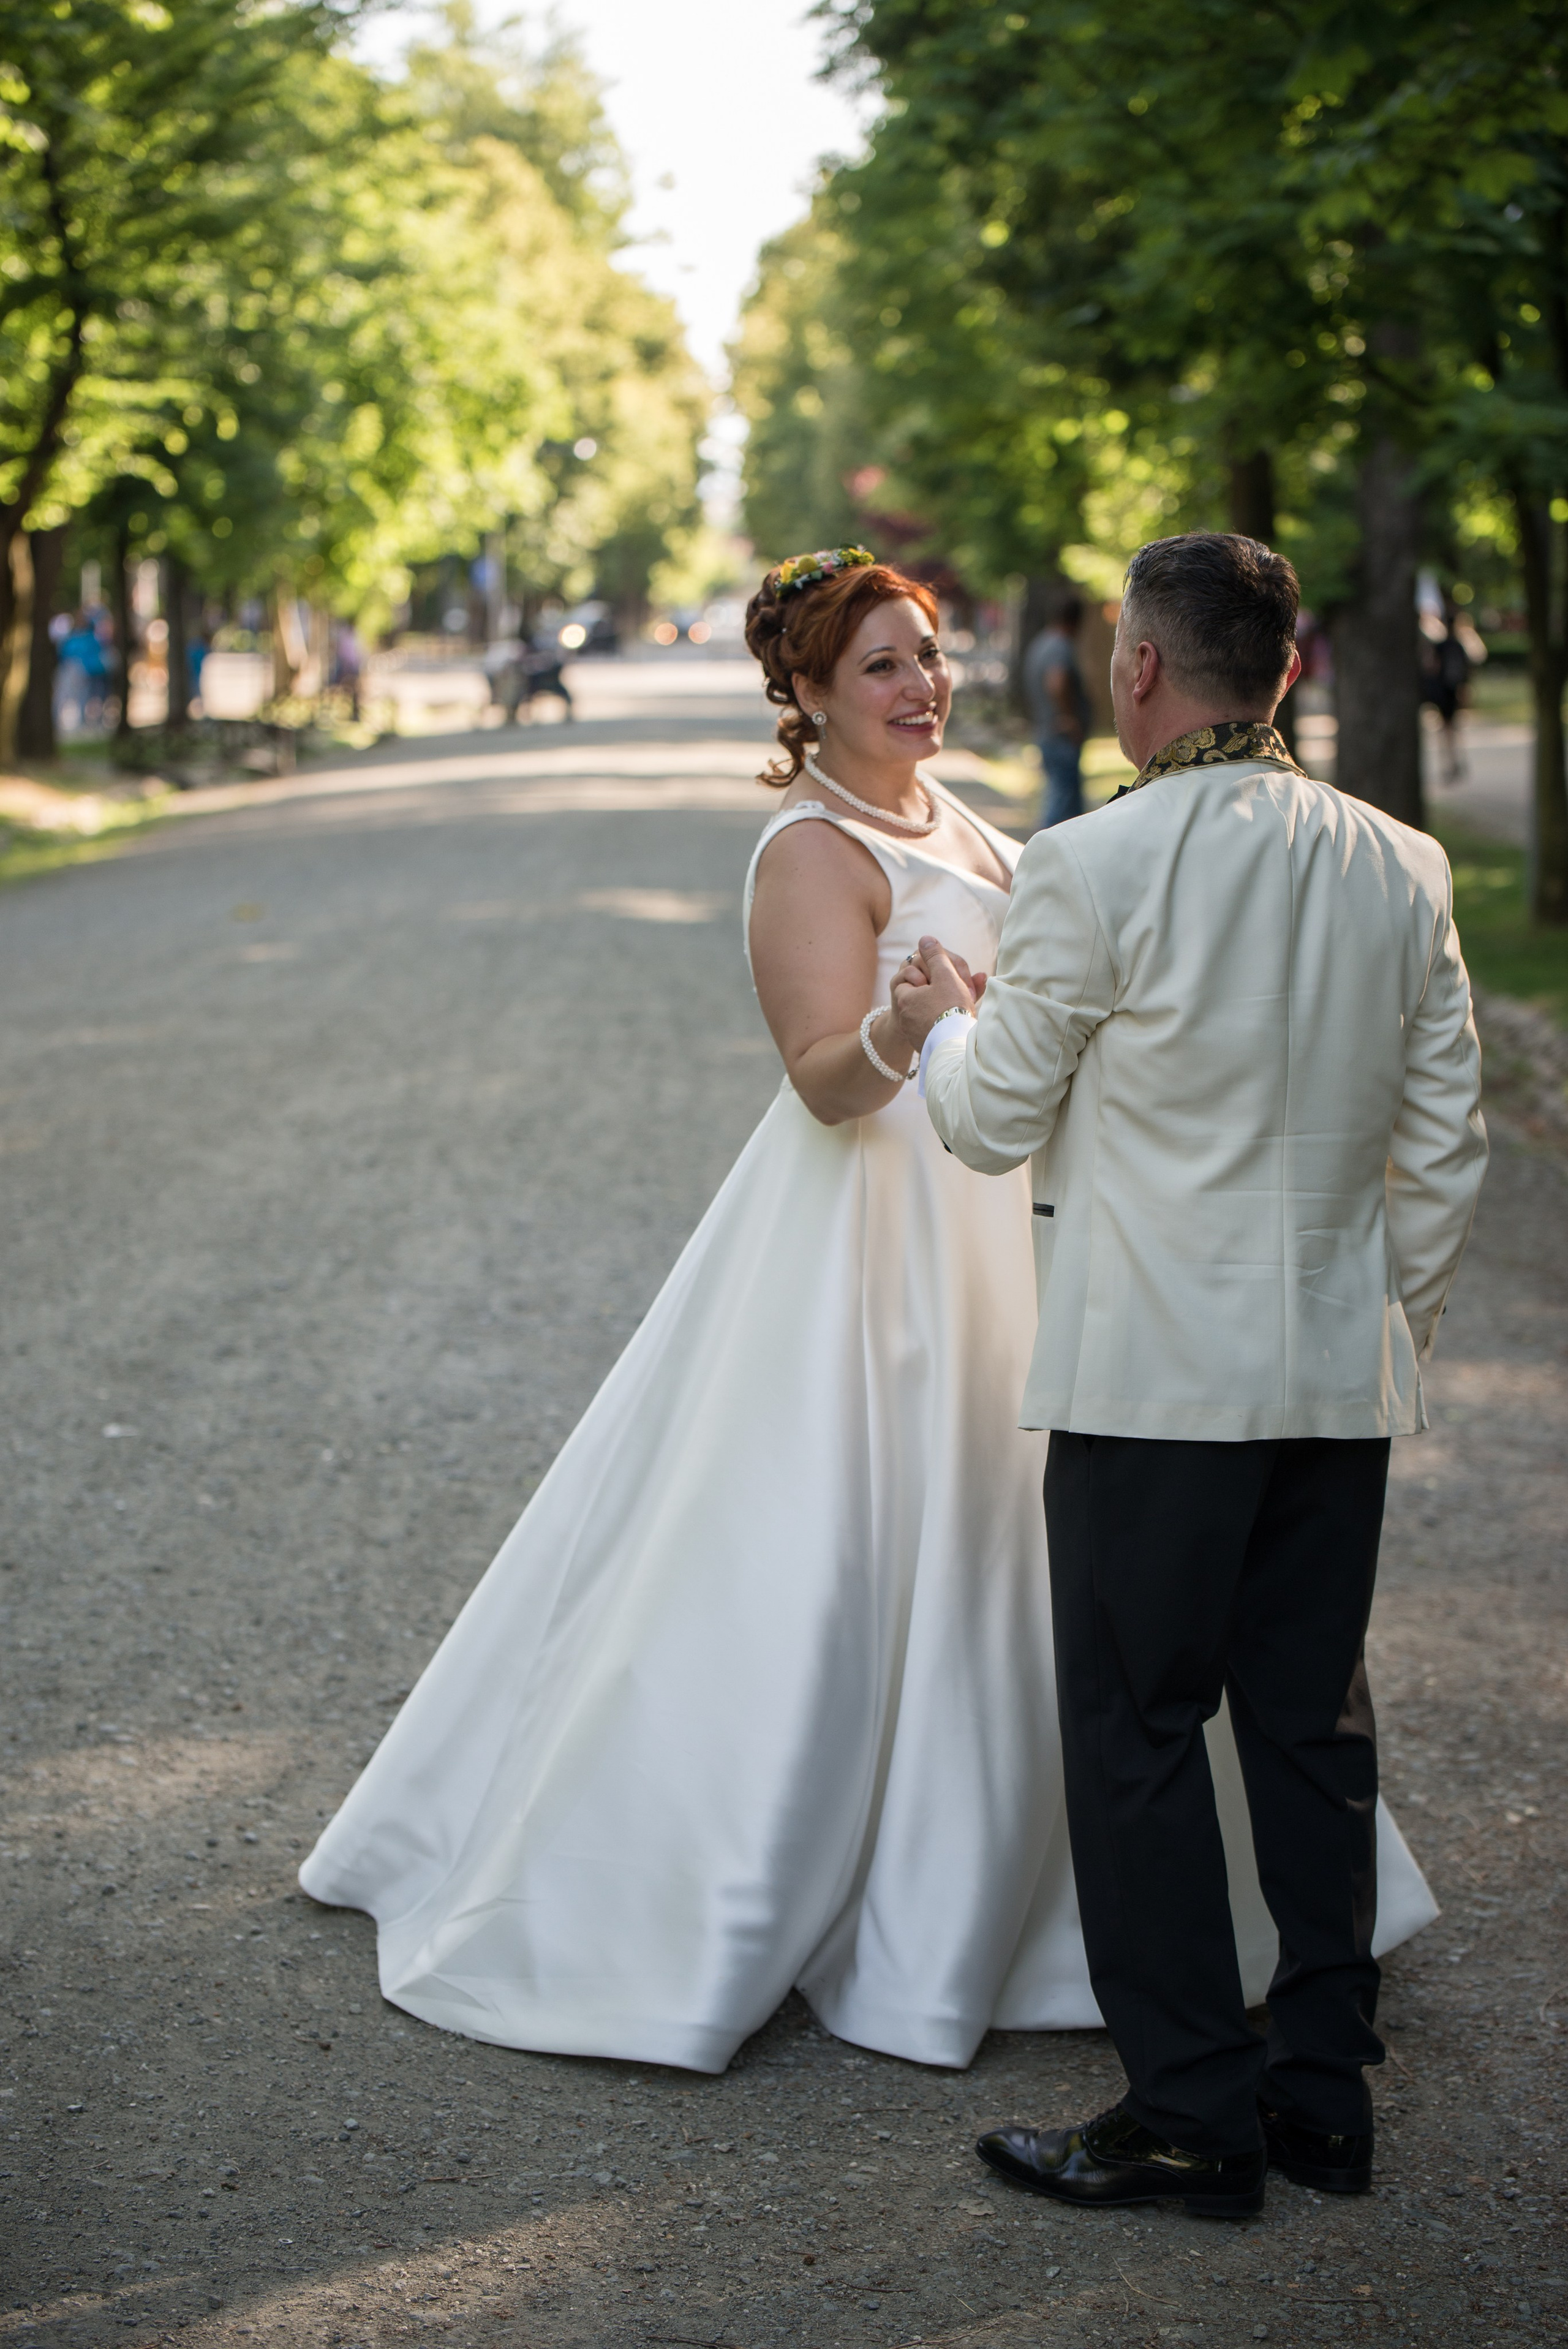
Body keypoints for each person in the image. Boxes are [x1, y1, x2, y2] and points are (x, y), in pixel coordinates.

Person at [299, 544, 1436, 2078]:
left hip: (1020, 1215)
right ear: (811, 691)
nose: (922, 683)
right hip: (881, 1228)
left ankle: (1061, 1905)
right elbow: (820, 1080)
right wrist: (901, 1029)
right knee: (877, 1546)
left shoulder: (968, 818)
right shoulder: (803, 850)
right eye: (885, 665)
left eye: (924, 655)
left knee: (1061, 1567)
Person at [894, 531, 1487, 2212]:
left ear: (1137, 670)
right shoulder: (1404, 864)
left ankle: (1188, 2113)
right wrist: (1385, 1330)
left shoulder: (1091, 864)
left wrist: (950, 1013)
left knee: (1139, 1728)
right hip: (1332, 1376)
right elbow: (1444, 1156)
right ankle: (1321, 2095)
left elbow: (994, 1114)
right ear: (1288, 668)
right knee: (1311, 1730)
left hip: (1154, 1383)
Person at [1022, 587, 1091, 828]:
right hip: (1060, 736)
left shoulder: (1041, 644)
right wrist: (1069, 717)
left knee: (1057, 797)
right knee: (1063, 806)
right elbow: (1057, 681)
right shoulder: (1060, 646)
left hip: (1045, 731)